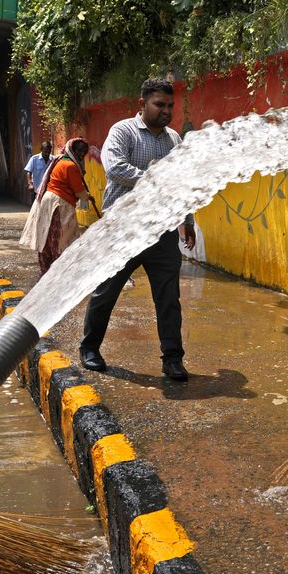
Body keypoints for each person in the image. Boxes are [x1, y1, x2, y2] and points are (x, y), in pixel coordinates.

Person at [80, 79, 196, 381]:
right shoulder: (123, 132)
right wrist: (156, 179)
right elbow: (115, 168)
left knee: (168, 297)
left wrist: (188, 220)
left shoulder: (173, 140)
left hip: (161, 229)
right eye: (160, 104)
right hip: (122, 229)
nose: (166, 111)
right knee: (106, 291)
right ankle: (89, 348)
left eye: (170, 105)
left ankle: (173, 359)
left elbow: (182, 183)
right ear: (142, 104)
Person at [18, 138, 92, 277]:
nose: (82, 154)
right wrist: (86, 196)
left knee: (47, 236)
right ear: (73, 151)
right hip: (60, 203)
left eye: (84, 152)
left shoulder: (59, 161)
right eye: (79, 151)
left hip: (49, 201)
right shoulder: (70, 166)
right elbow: (78, 191)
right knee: (61, 238)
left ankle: (48, 270)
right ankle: (59, 272)